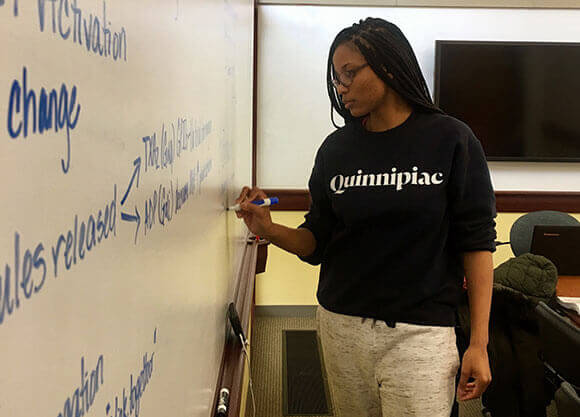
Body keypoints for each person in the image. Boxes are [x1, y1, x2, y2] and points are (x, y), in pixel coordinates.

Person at [236, 17, 496, 417]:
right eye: (336, 77)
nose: (341, 88)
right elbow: (316, 241)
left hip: (421, 334)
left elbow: (476, 245)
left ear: (388, 66)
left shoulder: (452, 140)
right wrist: (268, 228)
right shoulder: (336, 150)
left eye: (350, 73)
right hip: (341, 326)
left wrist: (478, 343)